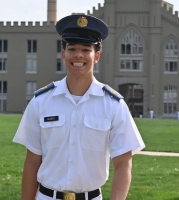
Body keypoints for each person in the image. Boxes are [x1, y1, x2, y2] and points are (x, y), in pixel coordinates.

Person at [12, 14, 145, 200]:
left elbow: (123, 164)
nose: (78, 55)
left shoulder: (113, 105)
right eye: (72, 48)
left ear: (96, 56)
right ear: (63, 54)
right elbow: (33, 162)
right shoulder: (41, 101)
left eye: (85, 49)